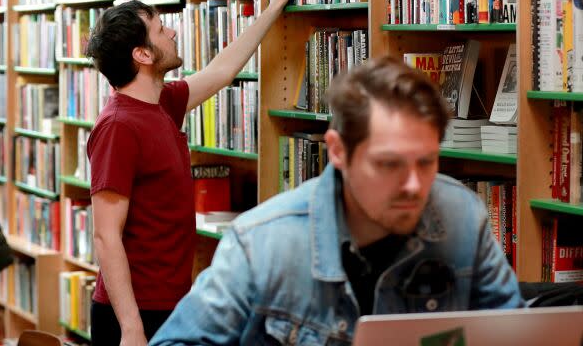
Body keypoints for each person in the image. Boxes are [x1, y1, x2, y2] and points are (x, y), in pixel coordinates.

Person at [149, 57, 524, 345]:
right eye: (389, 164)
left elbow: (518, 334)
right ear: (338, 151)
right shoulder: (261, 243)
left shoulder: (461, 216)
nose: (414, 185)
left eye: (426, 161)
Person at [84, 0, 290, 345]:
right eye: (162, 30)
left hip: (172, 301)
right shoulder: (118, 126)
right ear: (142, 54)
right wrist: (131, 328)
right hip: (135, 314)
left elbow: (222, 71)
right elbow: (105, 236)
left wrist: (274, 7)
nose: (173, 31)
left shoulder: (163, 102)